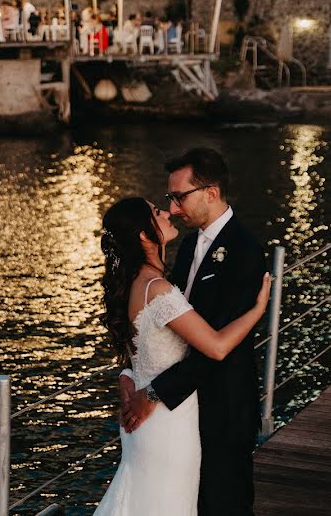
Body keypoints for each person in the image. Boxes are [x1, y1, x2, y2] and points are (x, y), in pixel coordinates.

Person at [95, 193, 270, 515]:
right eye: (158, 212)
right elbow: (216, 347)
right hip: (168, 423)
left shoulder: (133, 283)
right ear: (145, 236)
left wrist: (126, 375)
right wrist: (257, 310)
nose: (168, 214)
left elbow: (135, 349)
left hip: (146, 419)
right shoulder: (157, 288)